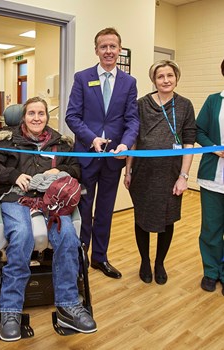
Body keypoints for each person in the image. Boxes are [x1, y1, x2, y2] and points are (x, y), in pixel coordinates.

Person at [0, 97, 97, 342]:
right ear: (23, 117)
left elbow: (76, 168)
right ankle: (11, 310)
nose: (36, 118)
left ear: (47, 116)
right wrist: (13, 175)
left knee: (67, 235)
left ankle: (68, 305)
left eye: (41, 113)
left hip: (51, 202)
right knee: (21, 235)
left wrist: (61, 171)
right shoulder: (6, 139)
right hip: (16, 198)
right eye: (31, 113)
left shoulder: (60, 143)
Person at [65, 27, 139, 279]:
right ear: (96, 50)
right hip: (86, 156)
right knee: (84, 208)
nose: (108, 51)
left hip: (113, 160)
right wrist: (91, 138)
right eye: (103, 46)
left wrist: (126, 144)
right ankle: (80, 257)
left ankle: (100, 258)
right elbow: (72, 116)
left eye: (112, 46)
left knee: (105, 210)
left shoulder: (129, 83)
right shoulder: (82, 78)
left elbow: (132, 120)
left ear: (119, 50)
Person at [124, 60, 196, 284]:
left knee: (168, 220)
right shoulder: (140, 104)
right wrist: (128, 171)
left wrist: (183, 177)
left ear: (176, 77)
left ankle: (159, 263)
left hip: (171, 175)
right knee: (142, 218)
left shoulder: (185, 105)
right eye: (160, 76)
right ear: (154, 80)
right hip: (143, 174)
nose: (166, 80)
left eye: (170, 76)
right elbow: (133, 140)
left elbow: (188, 143)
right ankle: (145, 261)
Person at [196, 59, 224, 294]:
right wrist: (214, 147)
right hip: (213, 177)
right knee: (211, 228)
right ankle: (211, 271)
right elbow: (199, 130)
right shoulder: (214, 101)